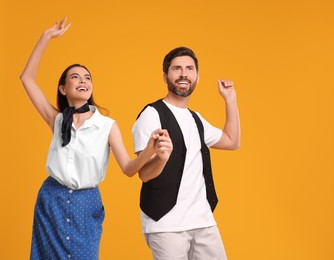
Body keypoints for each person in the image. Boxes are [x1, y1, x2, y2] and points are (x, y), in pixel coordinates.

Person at [20, 18, 172, 260]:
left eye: (87, 78)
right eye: (75, 77)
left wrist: (149, 151)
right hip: (51, 201)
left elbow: (129, 169)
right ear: (62, 89)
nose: (83, 81)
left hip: (85, 204)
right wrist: (46, 37)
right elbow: (26, 79)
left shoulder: (107, 126)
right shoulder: (57, 120)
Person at [132, 47, 240, 260]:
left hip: (202, 220)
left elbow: (232, 141)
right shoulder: (151, 114)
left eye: (189, 69)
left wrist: (230, 99)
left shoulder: (196, 119)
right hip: (166, 223)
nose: (184, 74)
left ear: (197, 77)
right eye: (177, 69)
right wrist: (161, 158)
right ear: (165, 77)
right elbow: (144, 173)